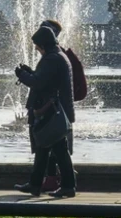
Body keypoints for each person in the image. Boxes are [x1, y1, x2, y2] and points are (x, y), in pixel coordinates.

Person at [12, 25, 76, 198]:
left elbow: (39, 83)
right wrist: (30, 72)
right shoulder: (58, 56)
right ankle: (35, 184)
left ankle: (68, 186)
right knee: (43, 147)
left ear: (44, 44)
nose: (37, 50)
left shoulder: (52, 59)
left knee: (58, 149)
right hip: (55, 109)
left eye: (38, 46)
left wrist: (21, 75)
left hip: (52, 111)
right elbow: (45, 79)